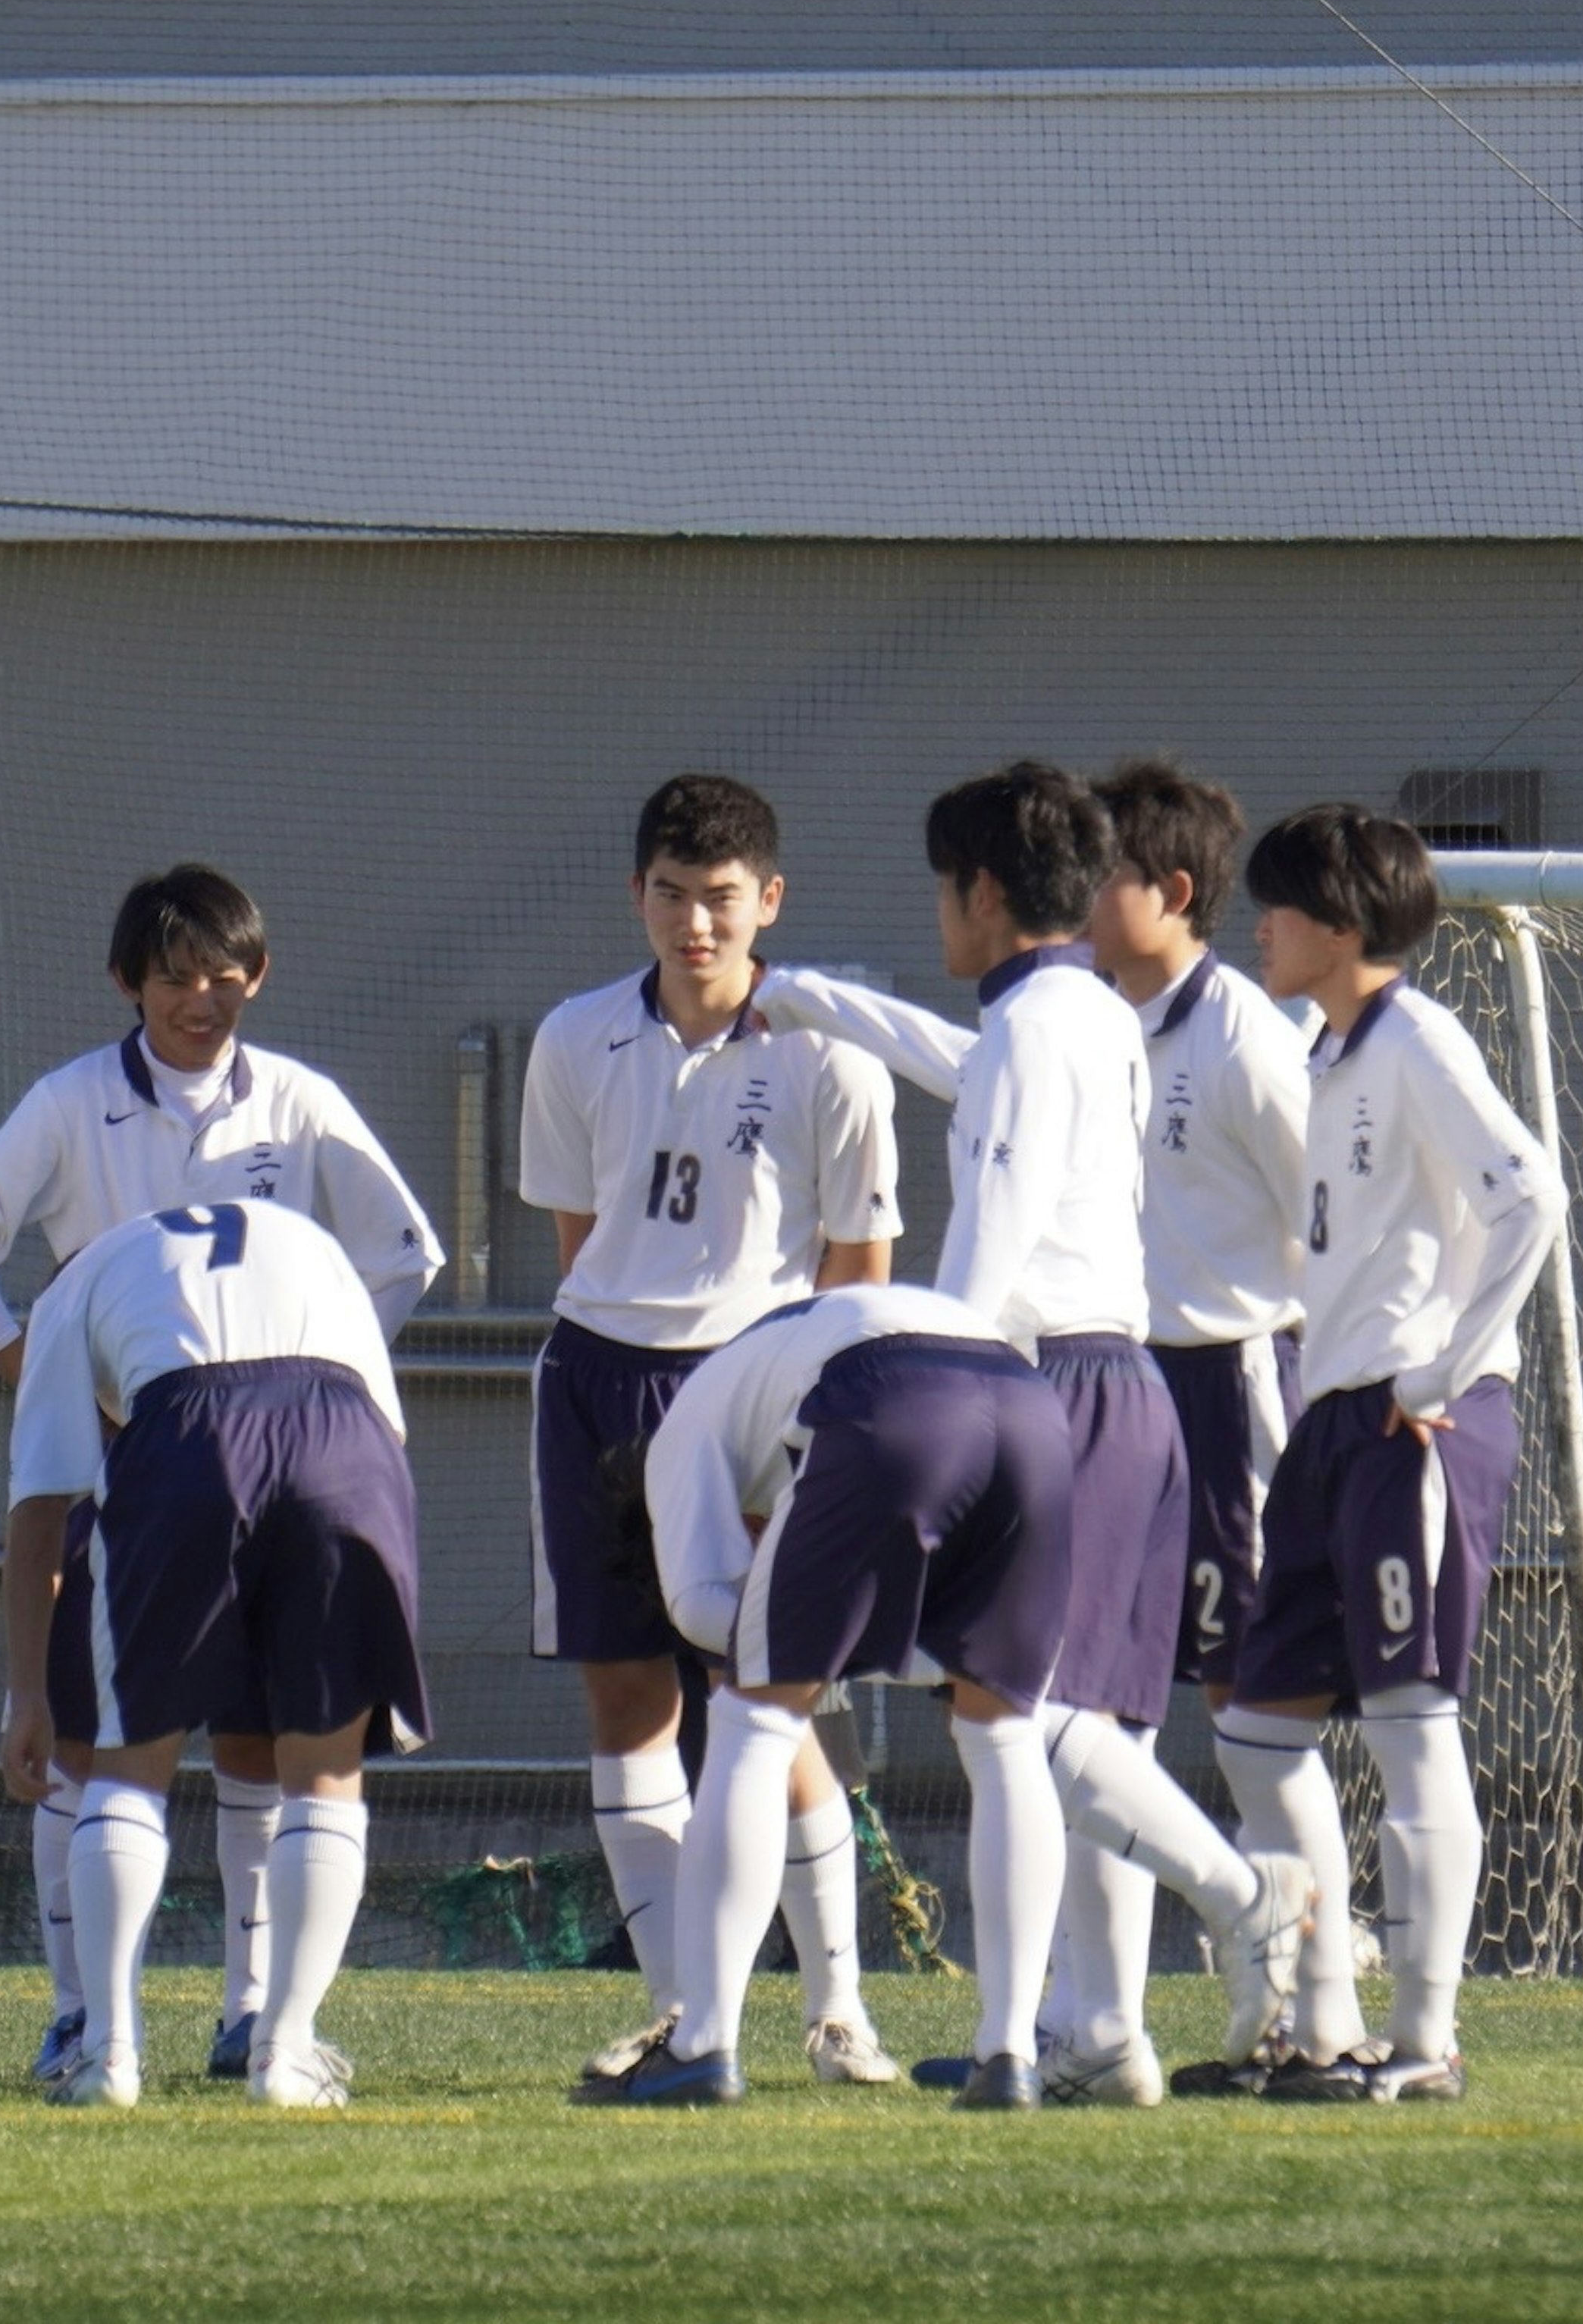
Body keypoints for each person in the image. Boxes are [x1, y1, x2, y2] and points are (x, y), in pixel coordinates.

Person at [758, 763, 1310, 2106]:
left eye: (941, 891)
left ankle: (1247, 1900)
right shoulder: (1088, 1014)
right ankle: (1104, 2030)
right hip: (1120, 1383)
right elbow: (983, 1084)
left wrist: (923, 1370)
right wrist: (823, 996)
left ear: (982, 891)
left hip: (1049, 1381)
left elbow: (998, 1219)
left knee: (1014, 1708)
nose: (937, 916)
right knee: (1082, 1719)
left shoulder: (1052, 1026)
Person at [0, 864, 441, 2085]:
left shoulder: (302, 1100)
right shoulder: (69, 1105)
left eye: (223, 979)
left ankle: (245, 2018)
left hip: (237, 1431)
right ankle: (85, 2018)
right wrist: (37, 1365)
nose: (200, 1003)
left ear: (256, 977)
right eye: (173, 980)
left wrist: (325, 1348)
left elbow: (407, 1253)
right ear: (126, 983)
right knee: (108, 1745)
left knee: (244, 1744)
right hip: (185, 1437)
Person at [519, 773, 904, 2087]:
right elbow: (583, 1246)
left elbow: (863, 1263)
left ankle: (840, 2005)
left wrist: (807, 1419)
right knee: (628, 1696)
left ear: (769, 902)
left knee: (770, 1699)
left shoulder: (831, 1053)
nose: (697, 925)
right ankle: (689, 2010)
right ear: (640, 896)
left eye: (722, 899)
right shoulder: (572, 1038)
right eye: (673, 896)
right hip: (599, 1383)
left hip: (760, 1389)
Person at [1208, 806, 1563, 2105]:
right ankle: (1321, 2016)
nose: (1262, 928)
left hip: (1414, 1429)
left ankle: (1426, 2045)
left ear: (1342, 926)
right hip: (1330, 1422)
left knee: (1415, 1733)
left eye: (1281, 907)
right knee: (1254, 1734)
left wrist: (1443, 1369)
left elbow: (1531, 1194)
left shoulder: (1418, 1039)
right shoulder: (1324, 1055)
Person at [590, 1283, 1072, 2106]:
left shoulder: (678, 1440)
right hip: (1033, 1406)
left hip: (885, 1391)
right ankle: (1011, 2052)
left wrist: (807, 1642)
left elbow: (702, 1610)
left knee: (753, 1719)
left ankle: (701, 2042)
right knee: (1003, 1738)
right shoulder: (760, 1387)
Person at [0, 1200, 429, 2111]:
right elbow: (386, 1434)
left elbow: (41, 1507)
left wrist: (27, 1697)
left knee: (129, 1768)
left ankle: (107, 2054)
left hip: (189, 1435)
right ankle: (285, 2050)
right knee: (324, 1775)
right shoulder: (303, 1236)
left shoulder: (69, 1292)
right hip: (348, 1443)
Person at [1089, 764, 1309, 1710]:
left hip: (1233, 1381)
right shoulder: (1085, 1021)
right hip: (1118, 1379)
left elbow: (1336, 1221)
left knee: (1244, 1679)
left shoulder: (1246, 1040)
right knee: (1102, 1674)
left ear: (1173, 894)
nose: (1075, 897)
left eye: (1099, 873)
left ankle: (1284, 1867)